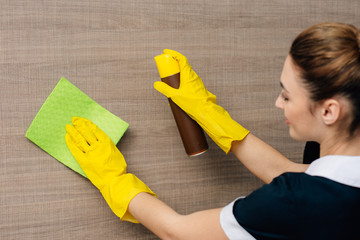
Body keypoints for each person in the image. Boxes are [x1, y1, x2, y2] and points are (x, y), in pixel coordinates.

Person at [65, 22, 360, 239]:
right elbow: (294, 173)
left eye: (286, 95)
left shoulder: (291, 202)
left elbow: (177, 232)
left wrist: (113, 180)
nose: (278, 103)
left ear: (329, 111)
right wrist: (211, 116)